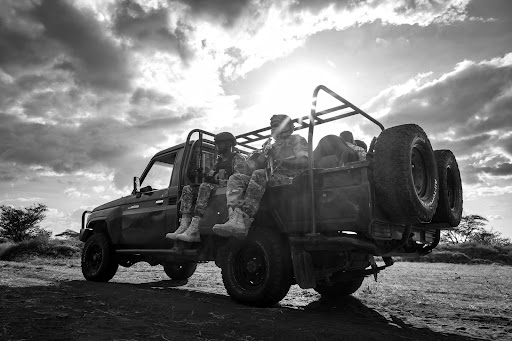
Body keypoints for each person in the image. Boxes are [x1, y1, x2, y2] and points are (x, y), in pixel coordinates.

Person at [213, 114, 308, 239]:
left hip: (292, 177)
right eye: (272, 126)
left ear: (287, 127)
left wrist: (282, 161)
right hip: (271, 176)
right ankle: (235, 218)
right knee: (236, 178)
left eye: (277, 125)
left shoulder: (296, 139)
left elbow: (305, 162)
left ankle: (245, 219)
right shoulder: (271, 145)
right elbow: (256, 167)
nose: (274, 128)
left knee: (259, 174)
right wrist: (260, 157)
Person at [166, 132, 247, 243]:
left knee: (204, 186)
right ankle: (184, 225)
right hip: (217, 187)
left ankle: (195, 228)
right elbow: (211, 175)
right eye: (217, 143)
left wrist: (217, 179)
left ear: (229, 144)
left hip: (229, 188)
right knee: (187, 189)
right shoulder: (219, 160)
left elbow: (238, 179)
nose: (218, 146)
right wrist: (208, 176)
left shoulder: (237, 158)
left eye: (221, 143)